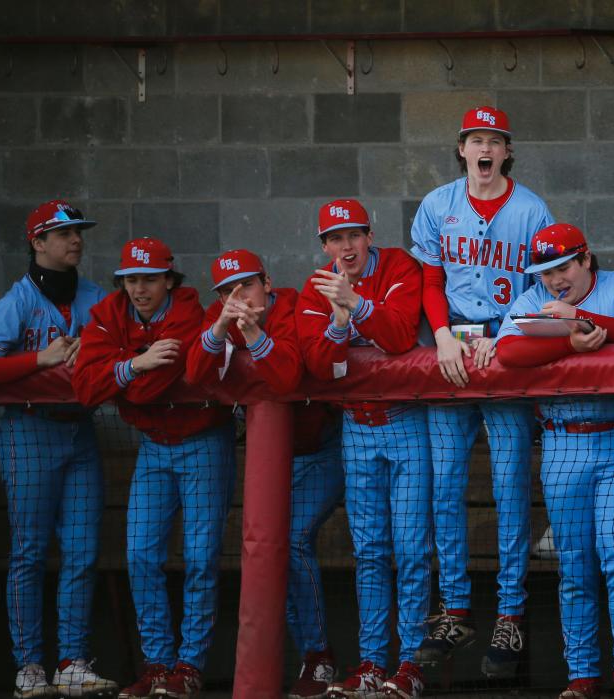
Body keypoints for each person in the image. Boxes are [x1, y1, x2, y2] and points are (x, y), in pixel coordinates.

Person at [409, 105, 554, 678]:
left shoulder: (531, 208)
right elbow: (430, 279)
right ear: (462, 148)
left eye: (495, 140)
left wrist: (511, 332)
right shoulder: (437, 204)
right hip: (452, 351)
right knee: (444, 485)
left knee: (510, 487)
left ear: (508, 151)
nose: (486, 148)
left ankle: (511, 614)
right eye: (476, 139)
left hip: (506, 351)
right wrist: (442, 335)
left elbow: (547, 281)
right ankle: (457, 608)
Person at [72, 238, 236, 699]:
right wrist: (135, 365)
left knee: (201, 558)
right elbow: (86, 388)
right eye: (131, 280)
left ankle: (189, 666)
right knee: (141, 554)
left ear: (168, 279)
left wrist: (120, 377)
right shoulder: (109, 314)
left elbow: (151, 387)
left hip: (203, 441)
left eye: (148, 279)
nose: (139, 289)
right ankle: (158, 665)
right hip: (153, 446)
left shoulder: (188, 311)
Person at [496, 223, 614, 699]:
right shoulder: (532, 300)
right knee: (575, 565)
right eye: (545, 272)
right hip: (562, 440)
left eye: (562, 267)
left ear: (586, 260)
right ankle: (581, 677)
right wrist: (569, 340)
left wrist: (579, 317)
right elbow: (507, 351)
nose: (553, 279)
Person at [185, 249, 344, 699]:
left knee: (290, 539)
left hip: (324, 447)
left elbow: (287, 378)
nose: (239, 296)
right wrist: (219, 327)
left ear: (268, 282)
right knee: (272, 551)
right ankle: (310, 659)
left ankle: (319, 657)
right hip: (269, 461)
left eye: (247, 285)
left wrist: (253, 335)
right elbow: (198, 375)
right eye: (227, 291)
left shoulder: (294, 305)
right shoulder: (222, 316)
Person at [0, 200, 118, 699]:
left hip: (79, 432)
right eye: (62, 233)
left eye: (78, 231)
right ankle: (29, 666)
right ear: (37, 242)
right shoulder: (15, 303)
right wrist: (42, 357)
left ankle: (72, 662)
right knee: (30, 553)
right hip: (28, 432)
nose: (75, 239)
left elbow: (123, 348)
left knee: (81, 551)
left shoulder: (98, 298)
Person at [296, 199, 430, 699]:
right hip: (356, 427)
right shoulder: (315, 289)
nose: (345, 246)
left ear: (368, 235)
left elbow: (397, 337)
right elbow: (317, 364)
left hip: (406, 421)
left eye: (353, 235)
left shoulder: (398, 266)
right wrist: (336, 322)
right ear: (325, 245)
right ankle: (373, 661)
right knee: (370, 550)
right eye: (335, 238)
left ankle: (411, 663)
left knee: (412, 549)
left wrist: (356, 304)